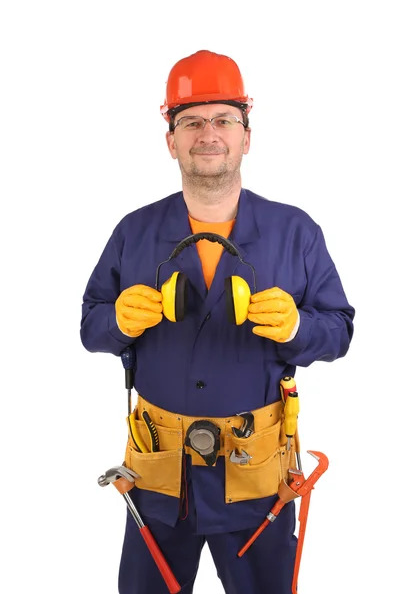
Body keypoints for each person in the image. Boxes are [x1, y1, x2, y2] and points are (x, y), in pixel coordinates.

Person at [80, 49, 355, 594]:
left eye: (224, 119)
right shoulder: (133, 232)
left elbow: (340, 330)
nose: (209, 133)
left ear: (246, 136)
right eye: (192, 121)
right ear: (171, 141)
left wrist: (298, 329)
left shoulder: (295, 232)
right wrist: (117, 321)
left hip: (256, 480)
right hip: (159, 480)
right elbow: (90, 327)